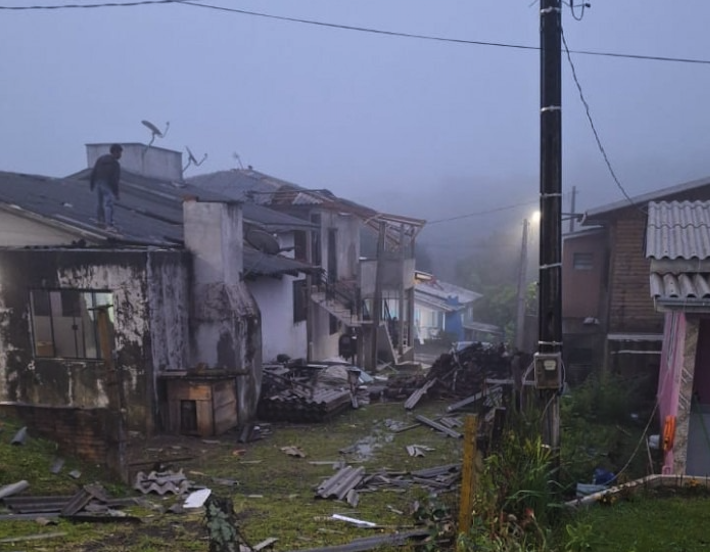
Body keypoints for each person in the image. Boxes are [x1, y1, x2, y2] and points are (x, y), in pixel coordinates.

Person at [90, 144, 122, 230]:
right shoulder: (115, 164)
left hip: (98, 182)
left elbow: (93, 172)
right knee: (109, 203)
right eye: (119, 153)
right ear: (115, 152)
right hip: (107, 184)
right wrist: (116, 193)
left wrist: (92, 184)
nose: (120, 155)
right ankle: (109, 224)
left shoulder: (101, 159)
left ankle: (99, 220)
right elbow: (115, 180)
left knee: (99, 202)